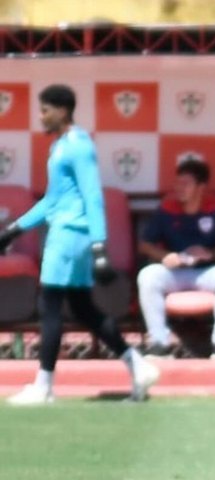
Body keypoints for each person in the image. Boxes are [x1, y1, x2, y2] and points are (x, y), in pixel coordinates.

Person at [0, 84, 159, 405]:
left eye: (45, 110)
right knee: (85, 309)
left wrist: (99, 245)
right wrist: (14, 230)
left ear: (62, 109)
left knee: (50, 305)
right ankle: (137, 365)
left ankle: (43, 387)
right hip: (66, 231)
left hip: (71, 235)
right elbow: (52, 200)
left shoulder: (78, 145)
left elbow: (92, 196)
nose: (41, 116)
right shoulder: (60, 147)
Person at [137, 160, 215, 360]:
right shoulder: (167, 208)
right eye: (178, 183)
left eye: (186, 184)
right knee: (148, 276)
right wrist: (165, 256)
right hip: (175, 272)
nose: (179, 188)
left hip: (206, 271)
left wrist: (214, 254)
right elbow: (145, 245)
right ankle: (159, 344)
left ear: (201, 187)